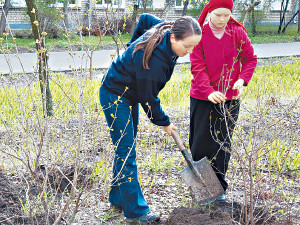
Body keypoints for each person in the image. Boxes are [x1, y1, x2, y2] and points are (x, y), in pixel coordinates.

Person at [100, 13, 201, 223]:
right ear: (174, 38)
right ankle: (136, 213)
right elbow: (149, 98)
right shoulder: (155, 62)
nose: (189, 52)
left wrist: (131, 46)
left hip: (128, 92)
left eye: (193, 47)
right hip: (115, 94)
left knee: (125, 148)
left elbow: (145, 18)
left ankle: (118, 198)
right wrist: (164, 122)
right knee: (126, 151)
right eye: (187, 47)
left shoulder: (166, 28)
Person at [189, 0, 257, 203]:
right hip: (203, 98)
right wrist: (208, 91)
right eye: (218, 14)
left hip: (230, 99)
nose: (222, 20)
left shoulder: (237, 33)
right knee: (200, 144)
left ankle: (218, 189)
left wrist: (242, 79)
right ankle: (201, 189)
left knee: (222, 144)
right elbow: (197, 66)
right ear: (210, 11)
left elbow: (250, 59)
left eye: (226, 15)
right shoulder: (199, 34)